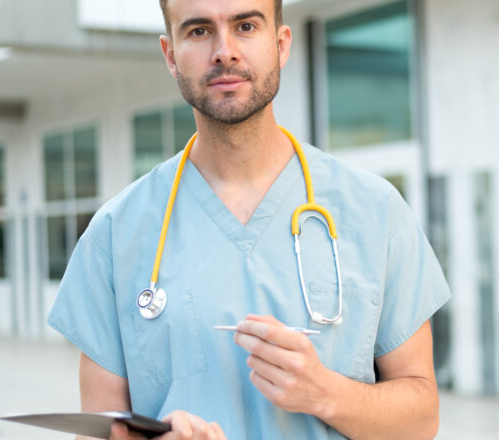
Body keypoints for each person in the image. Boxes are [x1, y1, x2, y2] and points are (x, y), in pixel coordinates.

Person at [46, 0, 451, 438]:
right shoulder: (114, 235)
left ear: (281, 44)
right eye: (199, 31)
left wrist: (325, 393)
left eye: (245, 25)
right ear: (169, 54)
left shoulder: (375, 212)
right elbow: (103, 429)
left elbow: (421, 419)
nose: (224, 51)